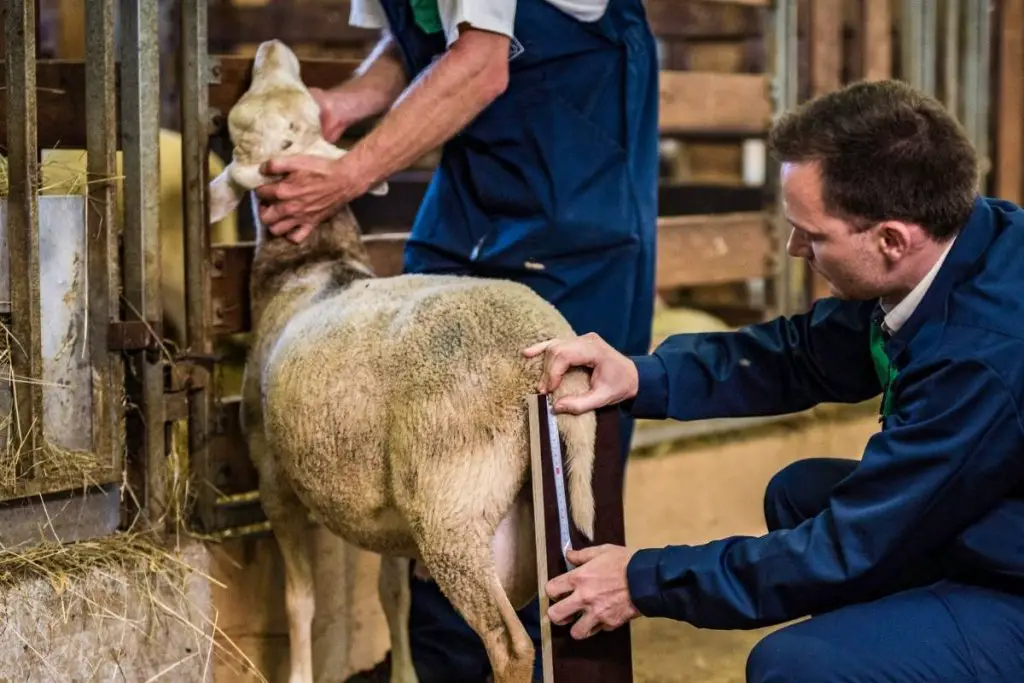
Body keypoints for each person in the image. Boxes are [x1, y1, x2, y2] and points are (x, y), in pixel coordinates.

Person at [525, 78, 1024, 682]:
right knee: (801, 491)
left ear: (892, 239)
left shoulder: (983, 356)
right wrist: (641, 375)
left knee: (795, 667)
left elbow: (849, 547)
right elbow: (804, 355)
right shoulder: (970, 243)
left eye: (812, 235)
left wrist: (643, 580)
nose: (792, 248)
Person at [252, 1, 660, 681]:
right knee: (437, 500)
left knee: (557, 501)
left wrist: (348, 176)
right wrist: (346, 103)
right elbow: (414, 34)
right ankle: (452, 667)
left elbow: (480, 63)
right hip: (467, 205)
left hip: (572, 210)